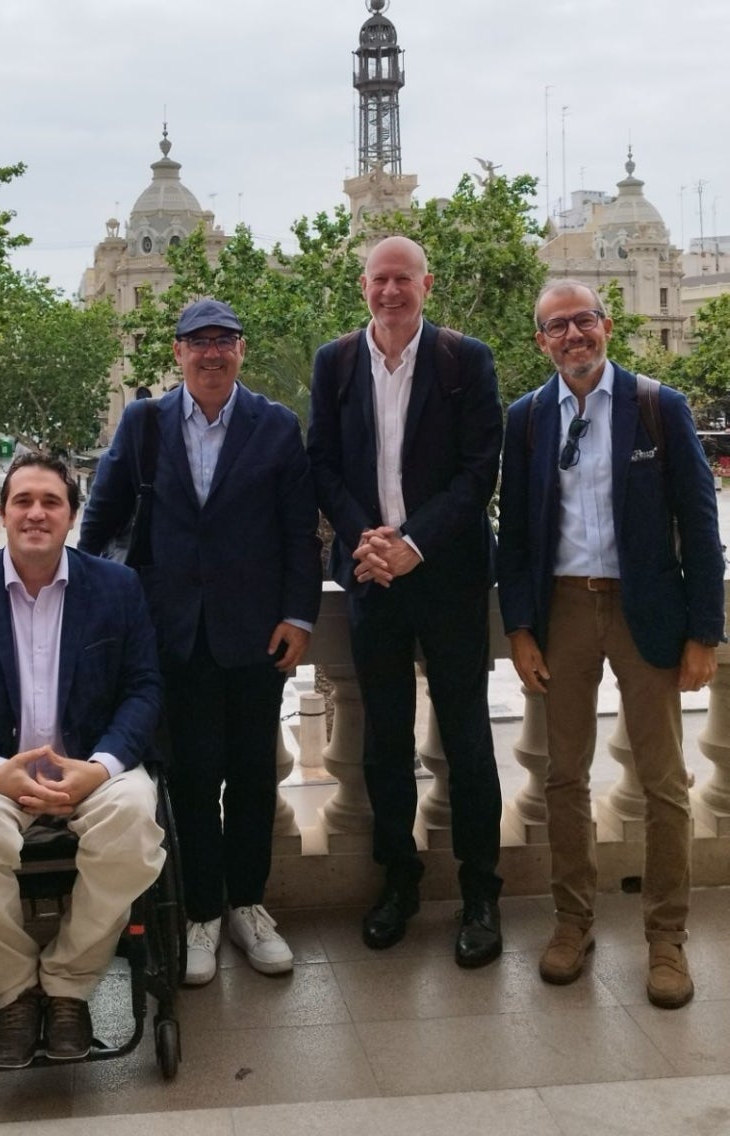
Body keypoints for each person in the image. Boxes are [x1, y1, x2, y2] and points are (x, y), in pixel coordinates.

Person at [79, 298, 322, 986]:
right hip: (169, 634)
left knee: (252, 776)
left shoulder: (275, 425)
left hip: (255, 635)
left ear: (241, 350)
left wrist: (299, 617)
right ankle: (201, 913)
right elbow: (101, 519)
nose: (212, 353)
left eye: (224, 341)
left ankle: (248, 906)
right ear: (179, 352)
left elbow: (299, 532)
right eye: (198, 342)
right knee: (189, 778)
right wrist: (84, 606)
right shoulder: (145, 423)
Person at [497, 279, 726, 1008]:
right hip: (563, 608)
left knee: (664, 783)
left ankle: (666, 936)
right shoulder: (527, 419)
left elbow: (701, 526)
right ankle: (572, 922)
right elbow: (515, 535)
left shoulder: (658, 406)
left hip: (645, 610)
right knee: (564, 777)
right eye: (557, 326)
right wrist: (520, 629)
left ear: (607, 325)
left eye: (584, 320)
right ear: (541, 341)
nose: (574, 335)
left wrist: (705, 633)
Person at [0, 453, 165, 1067]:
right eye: (22, 500)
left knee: (135, 823)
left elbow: (143, 690)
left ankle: (70, 983)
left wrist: (100, 767)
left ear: (72, 515)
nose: (36, 513)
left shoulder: (117, 588)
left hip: (92, 767)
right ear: (1, 513)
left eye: (51, 501)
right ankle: (16, 990)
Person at [307, 236, 504, 967]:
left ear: (428, 284)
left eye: (403, 279)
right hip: (372, 577)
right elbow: (322, 462)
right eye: (379, 279)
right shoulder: (335, 363)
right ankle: (399, 880)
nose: (390, 291)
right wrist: (367, 539)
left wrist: (414, 544)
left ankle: (481, 892)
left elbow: (480, 468)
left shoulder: (465, 359)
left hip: (448, 577)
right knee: (383, 740)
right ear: (363, 286)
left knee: (467, 738)